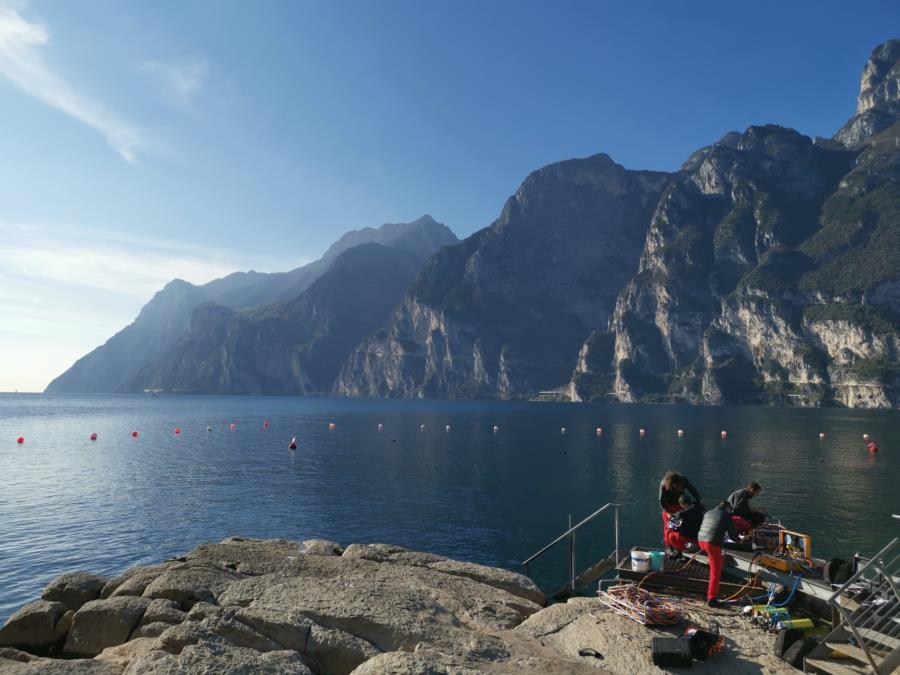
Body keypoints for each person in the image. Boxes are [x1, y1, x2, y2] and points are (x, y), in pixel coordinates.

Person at [698, 501, 741, 607]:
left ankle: (711, 593)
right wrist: (740, 540)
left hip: (701, 541)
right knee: (715, 572)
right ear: (727, 508)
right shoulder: (725, 515)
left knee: (716, 563)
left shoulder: (709, 512)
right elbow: (733, 535)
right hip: (712, 544)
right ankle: (712, 599)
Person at [659, 470, 703, 555]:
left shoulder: (683, 480)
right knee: (668, 527)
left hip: (679, 505)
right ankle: (669, 545)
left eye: (681, 486)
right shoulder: (664, 484)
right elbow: (661, 501)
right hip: (668, 506)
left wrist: (699, 499)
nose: (680, 488)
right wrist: (667, 512)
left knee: (681, 525)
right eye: (678, 486)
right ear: (672, 484)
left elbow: (692, 489)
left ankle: (679, 545)